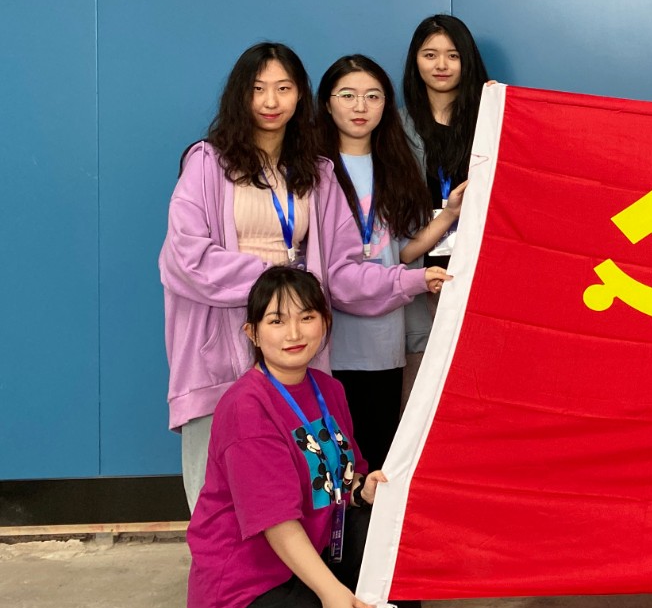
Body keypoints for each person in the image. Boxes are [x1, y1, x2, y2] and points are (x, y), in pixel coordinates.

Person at [161, 42, 445, 509]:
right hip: (218, 347)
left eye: (284, 88)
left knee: (297, 486)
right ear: (240, 95)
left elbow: (340, 273)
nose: (271, 101)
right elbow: (185, 258)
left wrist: (413, 281)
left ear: (300, 95)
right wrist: (279, 280)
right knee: (220, 491)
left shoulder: (317, 172)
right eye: (258, 89)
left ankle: (298, 559)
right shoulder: (208, 162)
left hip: (294, 347)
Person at [187, 267, 431, 608]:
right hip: (247, 583)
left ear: (325, 322)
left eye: (307, 317)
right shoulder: (247, 407)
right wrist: (329, 592)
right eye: (277, 320)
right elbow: (276, 523)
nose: (294, 333)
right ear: (252, 332)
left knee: (384, 520)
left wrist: (363, 490)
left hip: (304, 560)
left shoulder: (328, 390)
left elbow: (341, 479)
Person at [318, 54, 466, 608]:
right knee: (331, 492)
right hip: (322, 354)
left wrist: (447, 217)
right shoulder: (313, 170)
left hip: (379, 352)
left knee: (381, 489)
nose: (360, 107)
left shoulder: (391, 163)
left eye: (373, 96)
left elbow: (399, 253)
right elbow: (341, 276)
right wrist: (409, 282)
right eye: (347, 94)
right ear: (326, 102)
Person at [400, 15, 491, 365]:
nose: (441, 65)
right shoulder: (395, 127)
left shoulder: (490, 121)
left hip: (479, 275)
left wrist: (501, 108)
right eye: (430, 54)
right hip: (421, 277)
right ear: (415, 61)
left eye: (453, 55)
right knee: (421, 378)